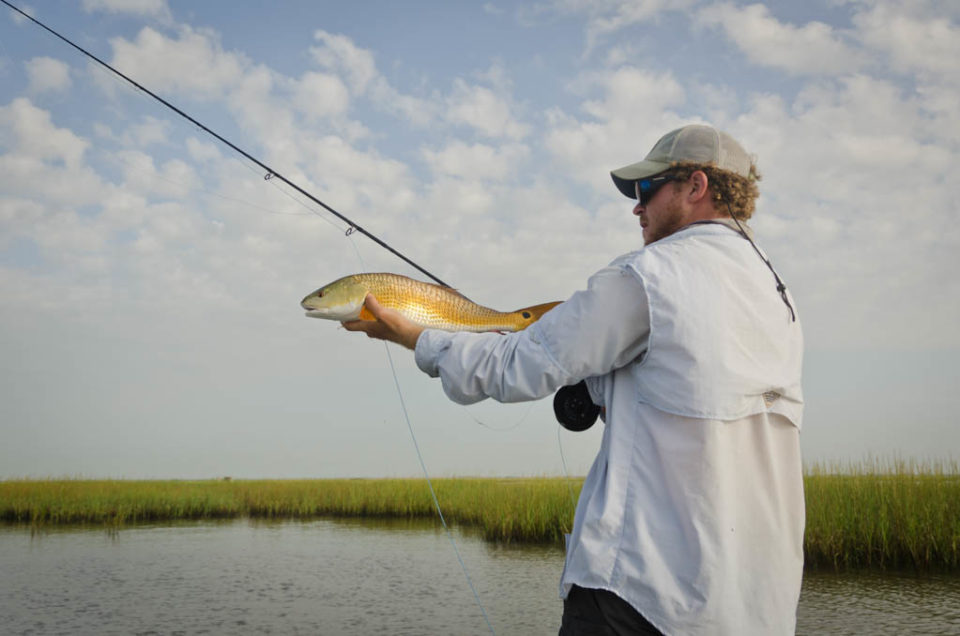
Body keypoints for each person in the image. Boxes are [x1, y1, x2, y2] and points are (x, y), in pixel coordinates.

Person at [343, 124, 805, 635]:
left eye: (645, 189)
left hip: (638, 599)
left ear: (696, 186)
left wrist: (414, 337)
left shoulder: (649, 276)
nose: (636, 206)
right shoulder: (778, 297)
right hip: (753, 609)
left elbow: (515, 366)